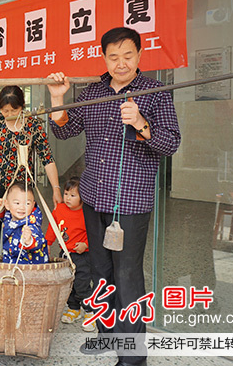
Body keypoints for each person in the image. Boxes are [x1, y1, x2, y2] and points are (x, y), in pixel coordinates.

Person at [47, 27, 181, 366]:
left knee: (127, 276)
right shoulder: (94, 90)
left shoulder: (155, 92)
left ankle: (133, 357)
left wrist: (141, 123)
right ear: (104, 57)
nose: (121, 63)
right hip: (93, 196)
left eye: (128, 56)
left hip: (131, 201)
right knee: (100, 272)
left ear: (139, 55)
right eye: (113, 56)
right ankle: (106, 336)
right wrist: (58, 99)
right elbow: (64, 129)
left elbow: (170, 143)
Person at [0, 85, 63, 255]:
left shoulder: (33, 125)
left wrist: (56, 188)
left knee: (22, 236)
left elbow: (47, 158)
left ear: (22, 106)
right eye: (5, 110)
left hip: (22, 192)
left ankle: (19, 273)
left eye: (13, 110)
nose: (9, 114)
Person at [45, 177, 95, 332]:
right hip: (65, 254)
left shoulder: (86, 212)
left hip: (82, 255)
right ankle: (74, 309)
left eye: (73, 195)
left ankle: (90, 312)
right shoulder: (59, 209)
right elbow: (53, 227)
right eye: (66, 194)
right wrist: (47, 243)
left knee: (82, 285)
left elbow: (93, 232)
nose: (67, 198)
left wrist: (86, 244)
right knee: (69, 284)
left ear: (82, 197)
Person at [0, 182, 48, 264]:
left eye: (27, 203)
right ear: (7, 204)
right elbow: (5, 221)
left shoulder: (31, 224)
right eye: (17, 203)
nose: (22, 207)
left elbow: (38, 241)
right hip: (10, 263)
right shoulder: (9, 216)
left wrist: (29, 241)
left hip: (31, 268)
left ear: (33, 205)